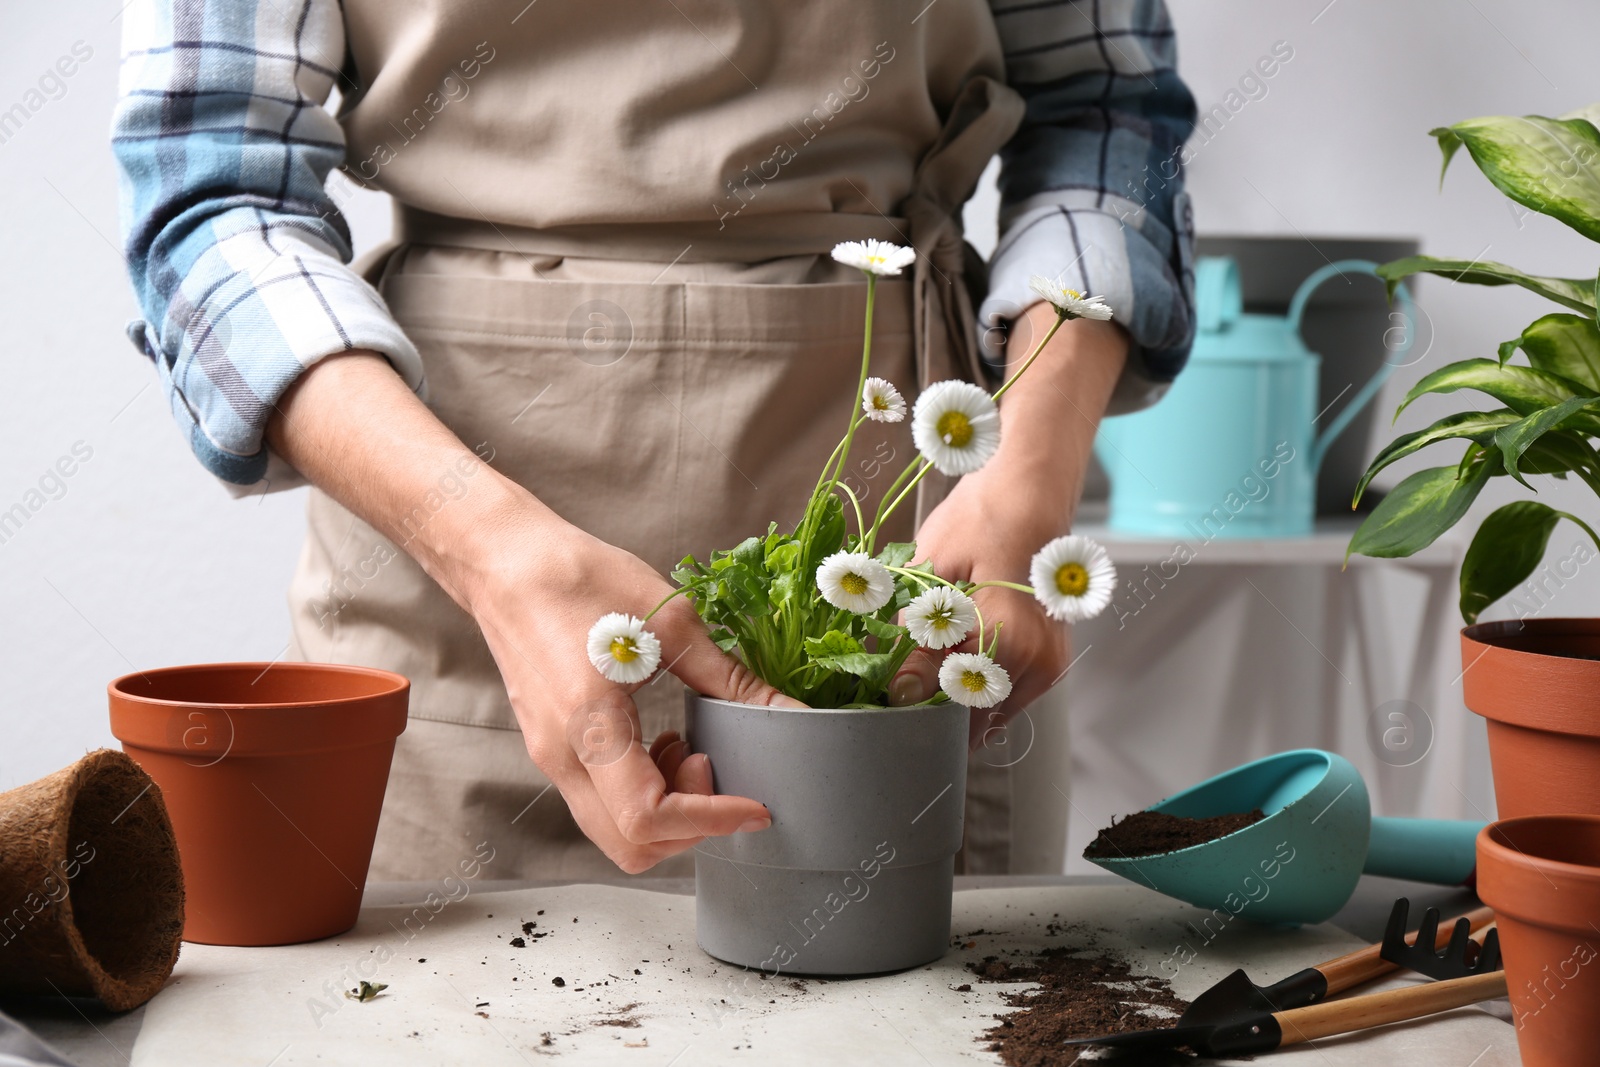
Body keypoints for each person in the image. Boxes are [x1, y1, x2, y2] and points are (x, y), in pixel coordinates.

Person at [113, 0, 1197, 880]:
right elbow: (213, 194)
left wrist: (1026, 476)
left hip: (913, 524)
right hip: (445, 557)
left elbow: (1109, 116)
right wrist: (489, 552)